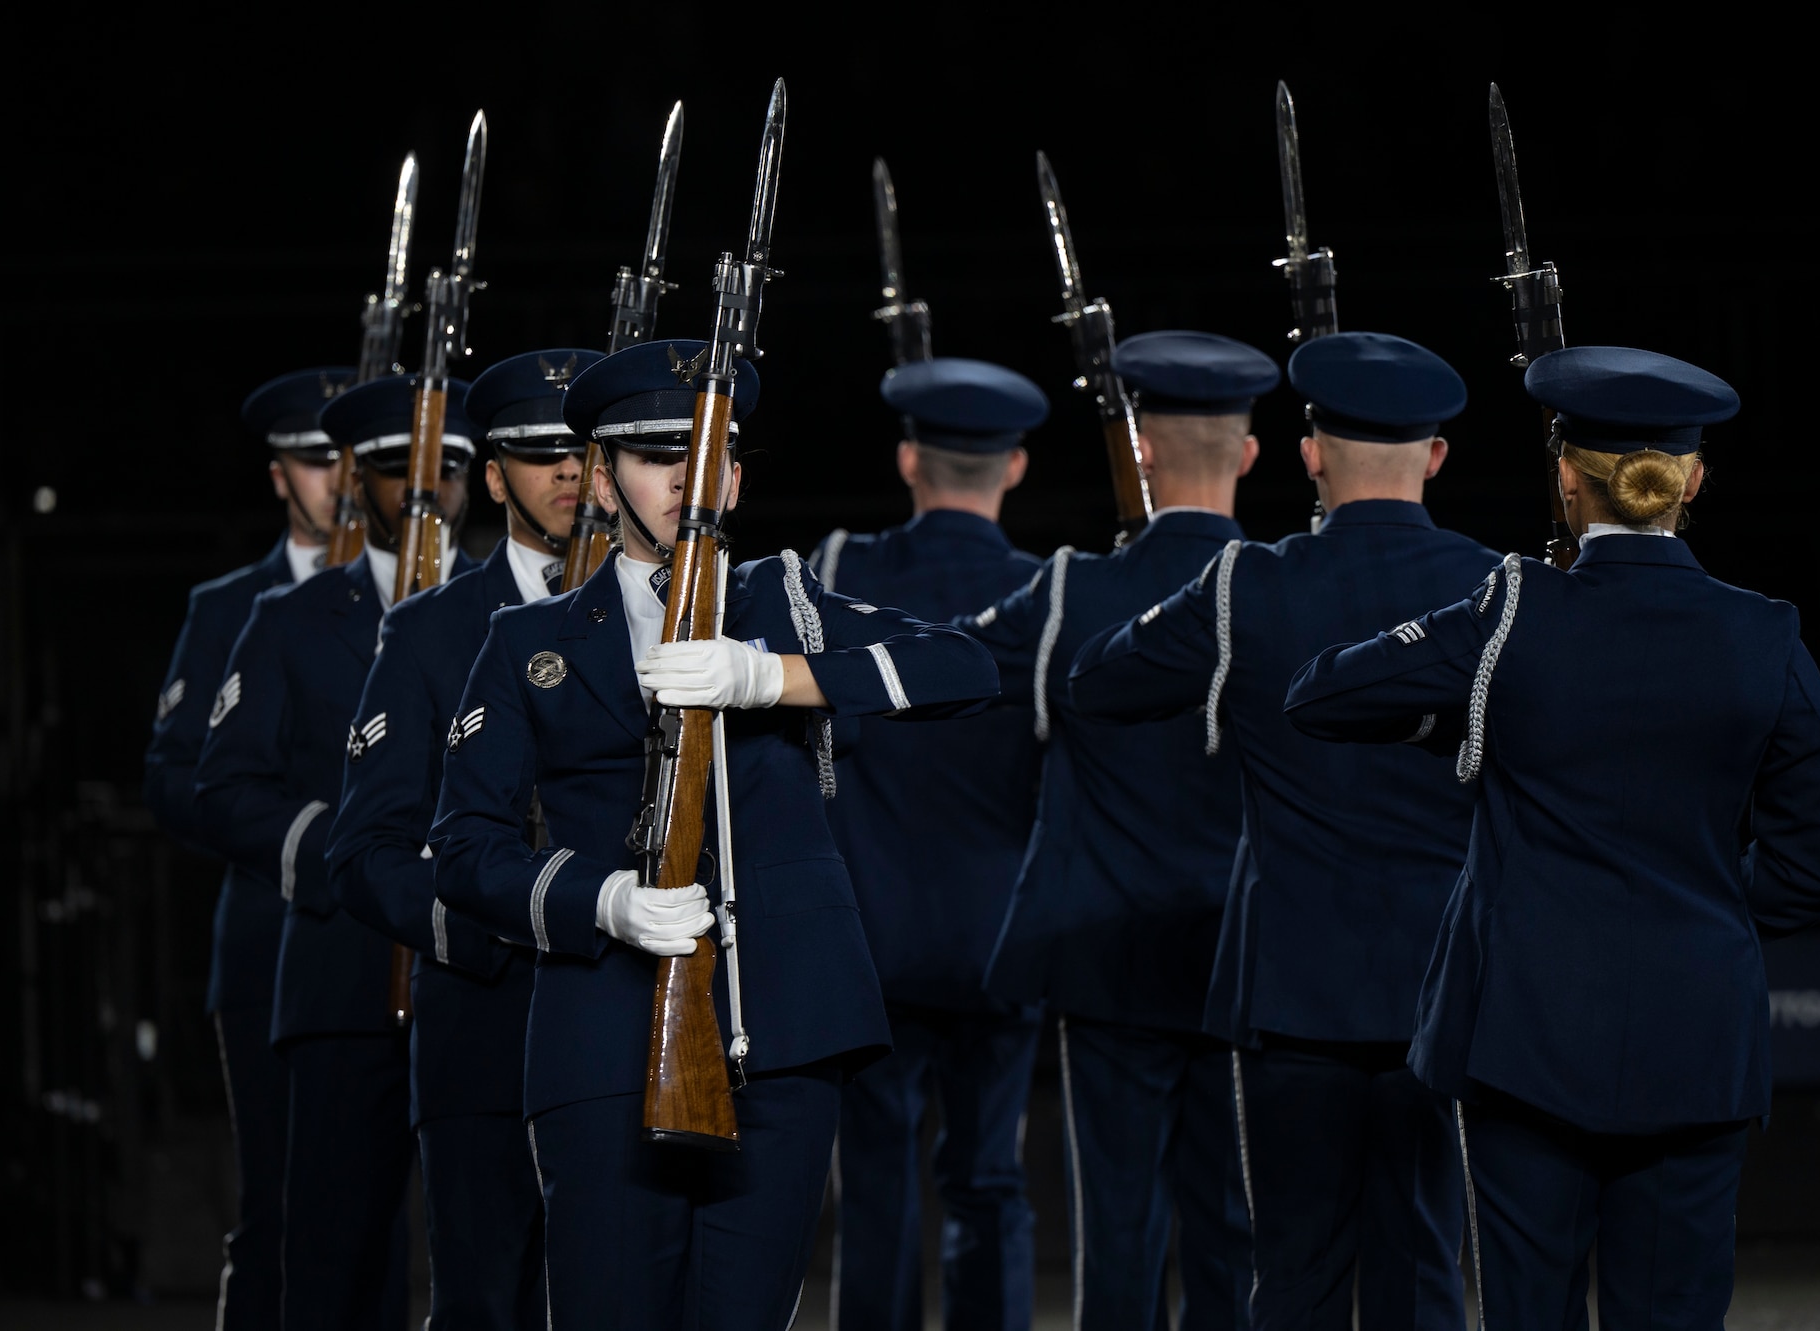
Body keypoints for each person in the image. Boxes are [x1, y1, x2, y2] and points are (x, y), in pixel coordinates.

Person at [429, 338, 1001, 1331]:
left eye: (710, 455)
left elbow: (965, 666)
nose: (689, 480)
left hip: (782, 1024)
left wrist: (771, 676)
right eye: (659, 457)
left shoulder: (783, 604)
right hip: (602, 1035)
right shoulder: (531, 644)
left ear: (734, 473)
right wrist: (597, 899)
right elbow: (464, 845)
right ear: (602, 480)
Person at [1283, 346, 1820, 1330]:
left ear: (1563, 474)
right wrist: (1703, 918)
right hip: (1694, 1032)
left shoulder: (1509, 610)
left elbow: (1322, 693)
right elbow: (1816, 862)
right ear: (1692, 478)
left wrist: (1465, 710)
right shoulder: (1763, 634)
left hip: (1525, 1032)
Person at [1069, 331, 1495, 1329]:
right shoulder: (1496, 587)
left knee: (1292, 1268)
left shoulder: (1245, 584)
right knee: (1425, 1262)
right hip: (1442, 978)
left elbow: (1097, 680)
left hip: (1290, 985)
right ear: (1434, 456)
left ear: (1308, 453)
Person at [957, 330, 1276, 1331]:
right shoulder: (1282, 590)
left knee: (1120, 1234)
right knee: (1234, 1230)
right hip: (1243, 954)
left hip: (1108, 957)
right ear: (1252, 451)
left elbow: (941, 666)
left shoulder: (1067, 593)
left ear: (1138, 448)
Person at [194, 372, 477, 1331]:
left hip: (478, 968)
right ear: (364, 479)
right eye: (402, 469)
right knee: (329, 1256)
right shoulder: (291, 618)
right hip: (342, 968)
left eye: (450, 468)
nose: (427, 490)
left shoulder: (510, 618)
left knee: (487, 1255)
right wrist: (348, 856)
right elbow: (225, 788)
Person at [328, 348, 603, 1329]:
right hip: (487, 1023)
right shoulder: (430, 631)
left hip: (629, 1016)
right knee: (486, 1303)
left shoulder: (674, 613)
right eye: (540, 456)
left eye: (585, 451)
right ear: (494, 476)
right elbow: (365, 850)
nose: (570, 473)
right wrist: (481, 933)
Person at [811, 357, 1049, 1331]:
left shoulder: (835, 570)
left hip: (869, 929)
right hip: (1001, 933)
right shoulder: (1045, 593)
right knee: (989, 1171)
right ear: (1017, 466)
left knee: (874, 1169)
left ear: (909, 459)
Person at [144, 365, 351, 1330]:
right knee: (276, 1210)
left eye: (350, 455)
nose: (336, 477)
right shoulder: (230, 606)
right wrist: (306, 837)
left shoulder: (425, 594)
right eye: (313, 460)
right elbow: (177, 777)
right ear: (279, 476)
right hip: (275, 938)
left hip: (411, 941)